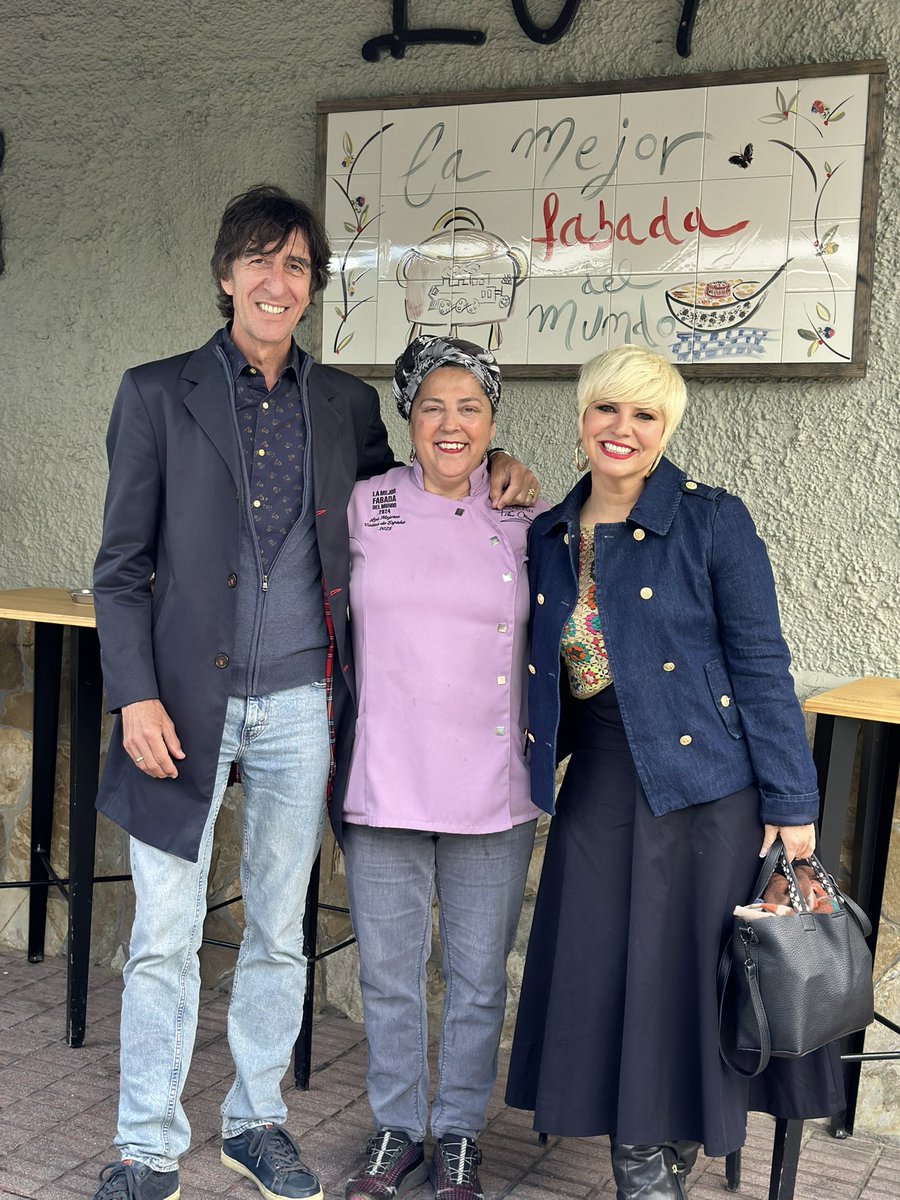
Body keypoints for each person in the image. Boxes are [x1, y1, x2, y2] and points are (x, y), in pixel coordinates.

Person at [90, 186, 538, 1200]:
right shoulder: (156, 394)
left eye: (295, 266)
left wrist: (499, 460)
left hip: (300, 707)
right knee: (164, 933)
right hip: (179, 711)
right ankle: (147, 1148)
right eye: (258, 260)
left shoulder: (342, 407)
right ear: (224, 276)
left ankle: (256, 1124)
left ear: (313, 289)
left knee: (281, 931)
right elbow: (119, 566)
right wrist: (134, 697)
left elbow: (419, 491)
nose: (275, 281)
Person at [504, 345, 843, 1198]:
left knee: (687, 979)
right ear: (581, 419)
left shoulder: (711, 520)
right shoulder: (548, 533)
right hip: (602, 780)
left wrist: (794, 806)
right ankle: (653, 1146)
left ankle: (652, 1161)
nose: (622, 429)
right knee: (603, 969)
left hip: (708, 787)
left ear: (666, 431)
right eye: (606, 411)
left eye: (644, 416)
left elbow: (763, 664)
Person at [340, 336, 547, 1200]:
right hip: (384, 778)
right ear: (407, 418)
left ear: (494, 423)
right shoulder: (362, 505)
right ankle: (396, 1129)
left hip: (493, 787)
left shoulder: (527, 519)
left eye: (471, 408)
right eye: (433, 406)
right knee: (388, 973)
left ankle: (458, 1129)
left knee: (473, 976)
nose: (451, 424)